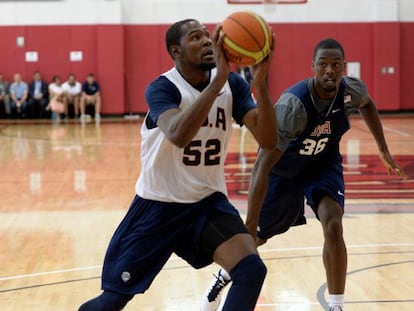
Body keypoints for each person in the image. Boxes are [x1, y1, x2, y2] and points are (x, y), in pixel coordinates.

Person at [78, 18, 278, 311]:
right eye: (196, 38)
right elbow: (179, 135)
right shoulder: (162, 88)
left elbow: (269, 140)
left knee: (251, 270)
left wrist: (259, 85)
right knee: (112, 300)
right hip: (158, 206)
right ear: (176, 51)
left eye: (207, 36)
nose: (207, 41)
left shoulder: (232, 84)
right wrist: (218, 83)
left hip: (205, 204)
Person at [201, 38, 407, 311]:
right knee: (257, 237)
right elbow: (262, 165)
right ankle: (224, 275)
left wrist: (383, 149)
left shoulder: (350, 91)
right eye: (323, 64)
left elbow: (367, 104)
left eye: (336, 65)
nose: (330, 70)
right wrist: (250, 221)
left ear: (343, 67)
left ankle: (336, 305)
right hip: (284, 171)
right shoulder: (292, 106)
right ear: (313, 67)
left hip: (323, 165)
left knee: (333, 223)